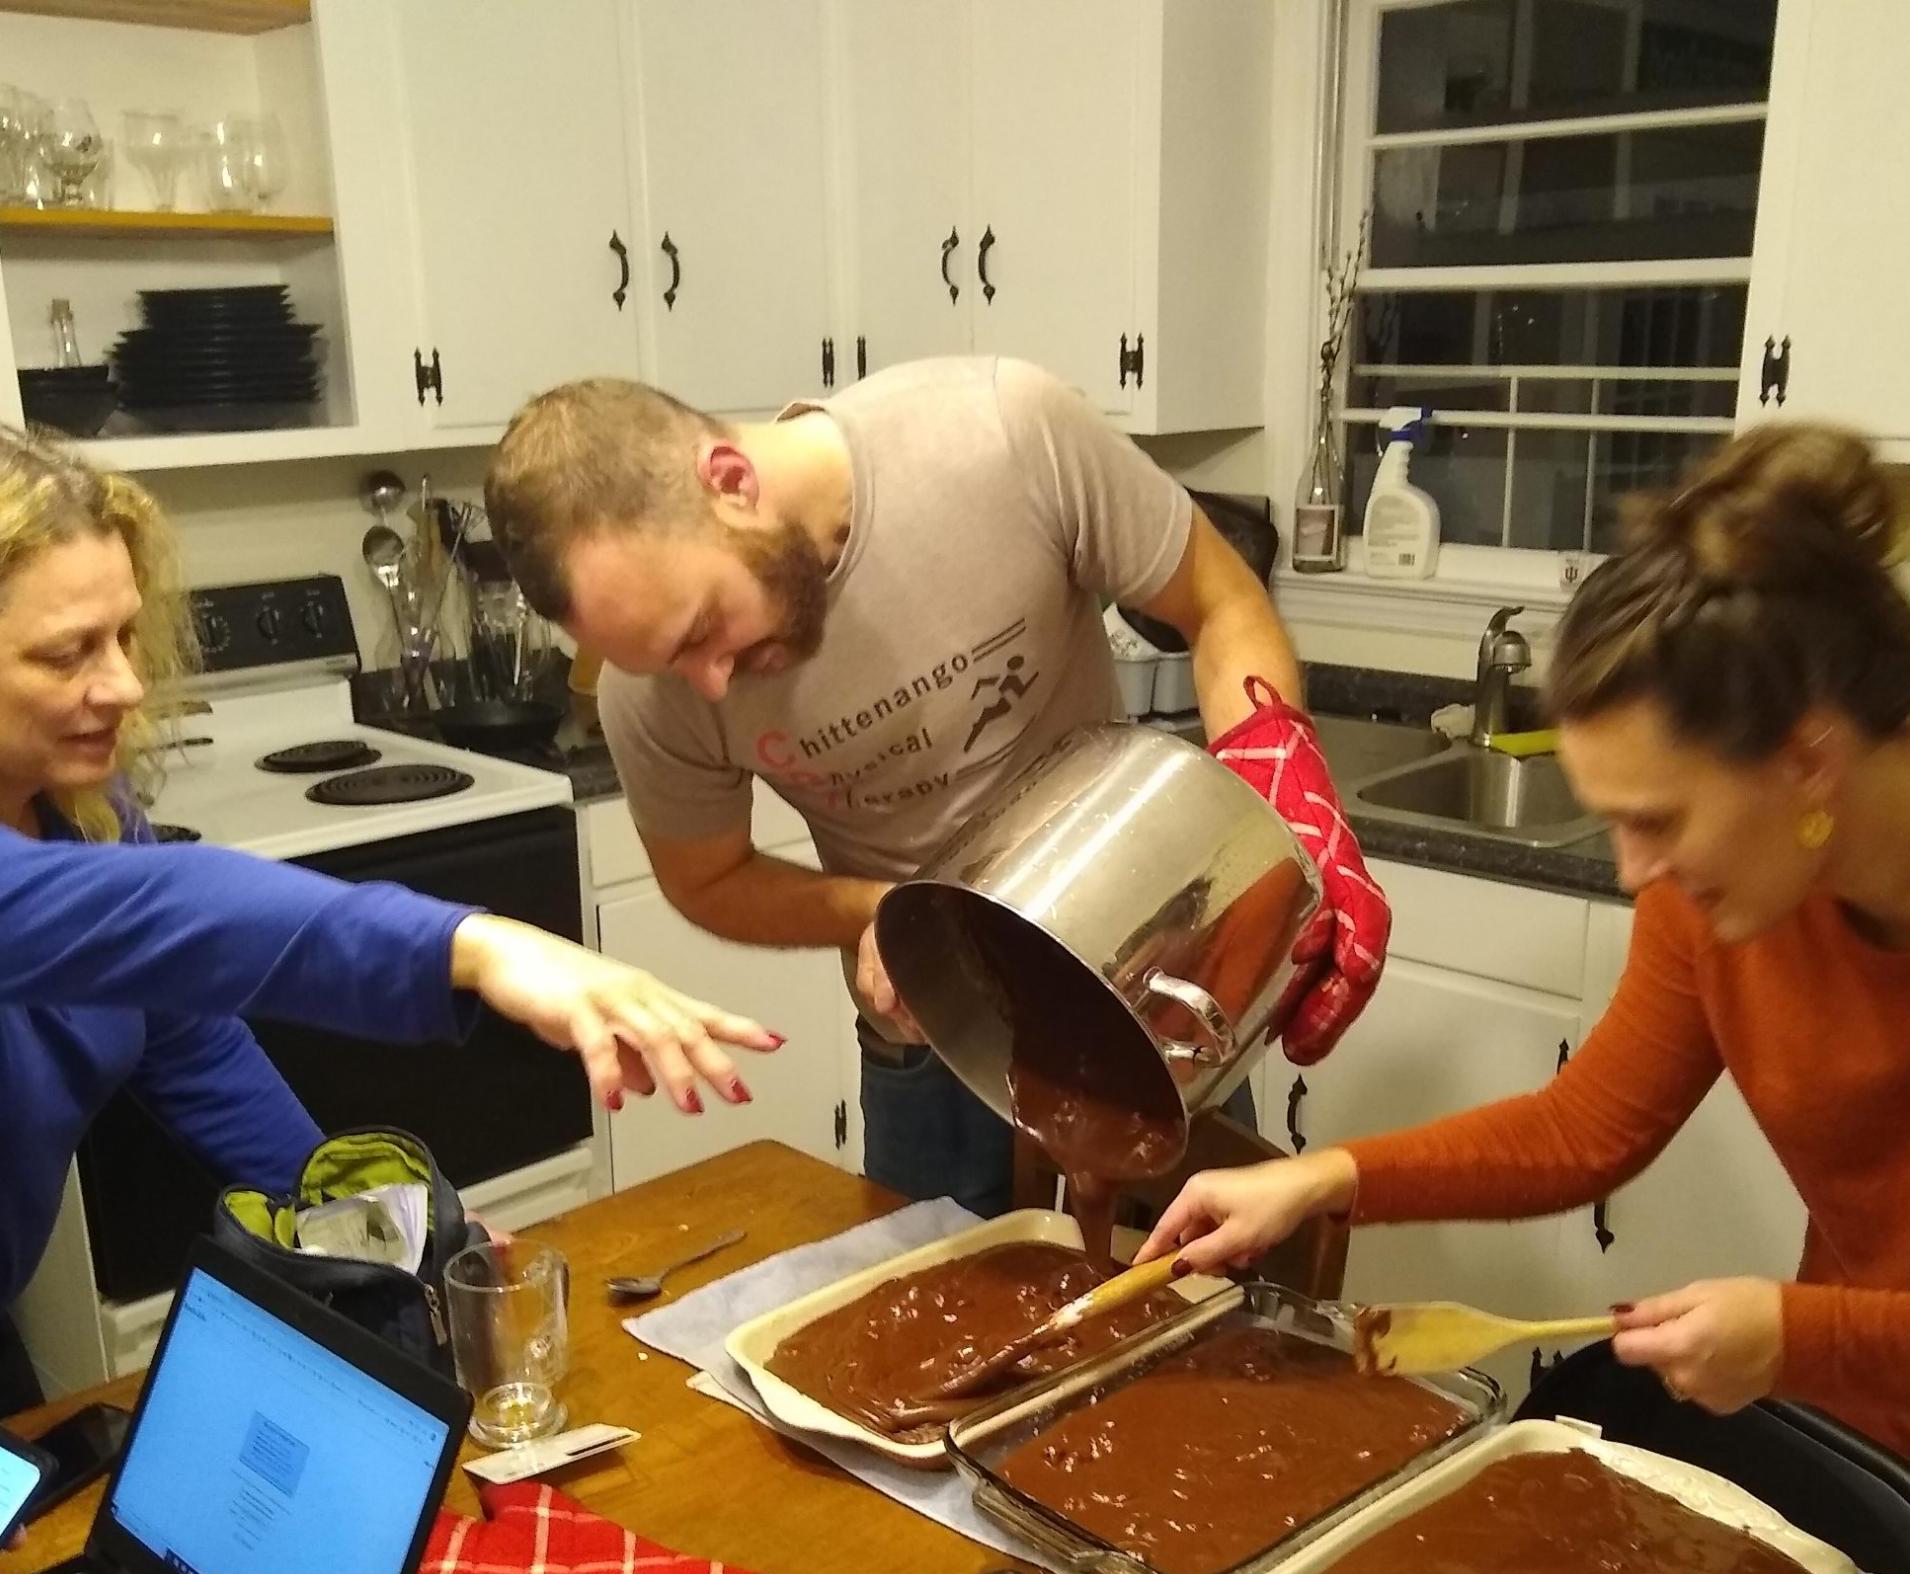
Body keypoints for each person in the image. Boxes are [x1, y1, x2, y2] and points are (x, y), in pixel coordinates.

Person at [1138, 423, 1910, 1458]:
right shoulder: (1720, 898)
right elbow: (1582, 1129)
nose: (1633, 870)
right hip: (1864, 1421)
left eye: (1658, 818)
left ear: (1807, 763)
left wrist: (1792, 1330)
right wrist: (1323, 1178)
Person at [483, 357, 1389, 1215]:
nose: (711, 683)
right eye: (669, 663)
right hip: (939, 1036)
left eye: (703, 629)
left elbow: (1219, 601)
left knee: (1213, 1327)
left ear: (729, 479)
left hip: (1156, 977)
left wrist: (1282, 772)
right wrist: (883, 910)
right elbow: (706, 879)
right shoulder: (653, 695)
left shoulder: (1000, 436)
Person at [0, 427, 778, 1419]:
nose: (123, 685)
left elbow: (184, 1037)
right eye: (67, 652)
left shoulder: (84, 809)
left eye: (121, 635)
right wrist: (478, 944)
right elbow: (161, 914)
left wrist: (383, 1230)